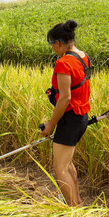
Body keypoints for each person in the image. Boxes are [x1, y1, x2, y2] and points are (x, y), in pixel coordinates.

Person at [40, 20, 91, 206]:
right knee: (67, 164)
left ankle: (73, 211)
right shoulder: (83, 57)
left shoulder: (63, 63)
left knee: (60, 168)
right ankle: (76, 202)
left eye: (51, 44)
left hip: (69, 119)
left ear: (59, 42)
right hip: (81, 118)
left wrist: (50, 125)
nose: (52, 48)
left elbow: (65, 98)